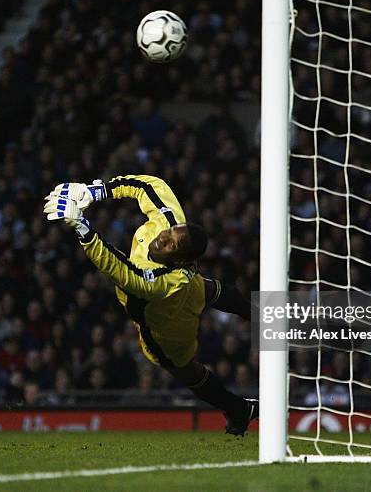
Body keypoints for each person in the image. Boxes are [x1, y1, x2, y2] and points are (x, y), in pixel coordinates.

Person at [43, 174, 257, 435]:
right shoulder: (169, 222)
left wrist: (82, 227)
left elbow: (122, 270)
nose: (163, 238)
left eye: (171, 245)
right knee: (208, 288)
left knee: (184, 368)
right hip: (190, 286)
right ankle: (265, 316)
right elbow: (148, 186)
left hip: (167, 322)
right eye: (169, 232)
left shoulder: (163, 280)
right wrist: (96, 192)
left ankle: (237, 408)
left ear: (179, 260)